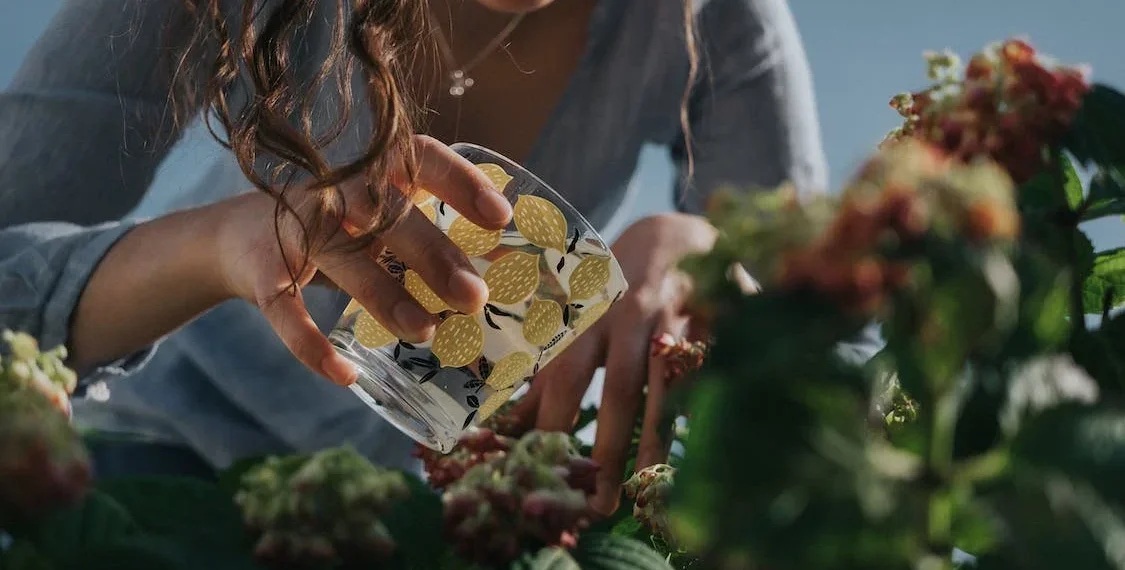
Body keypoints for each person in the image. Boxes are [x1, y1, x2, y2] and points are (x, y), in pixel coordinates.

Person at [0, 0, 854, 514]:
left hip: (441, 499)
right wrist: (217, 246)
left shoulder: (708, 18)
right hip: (161, 451)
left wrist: (704, 249)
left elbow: (812, 317)